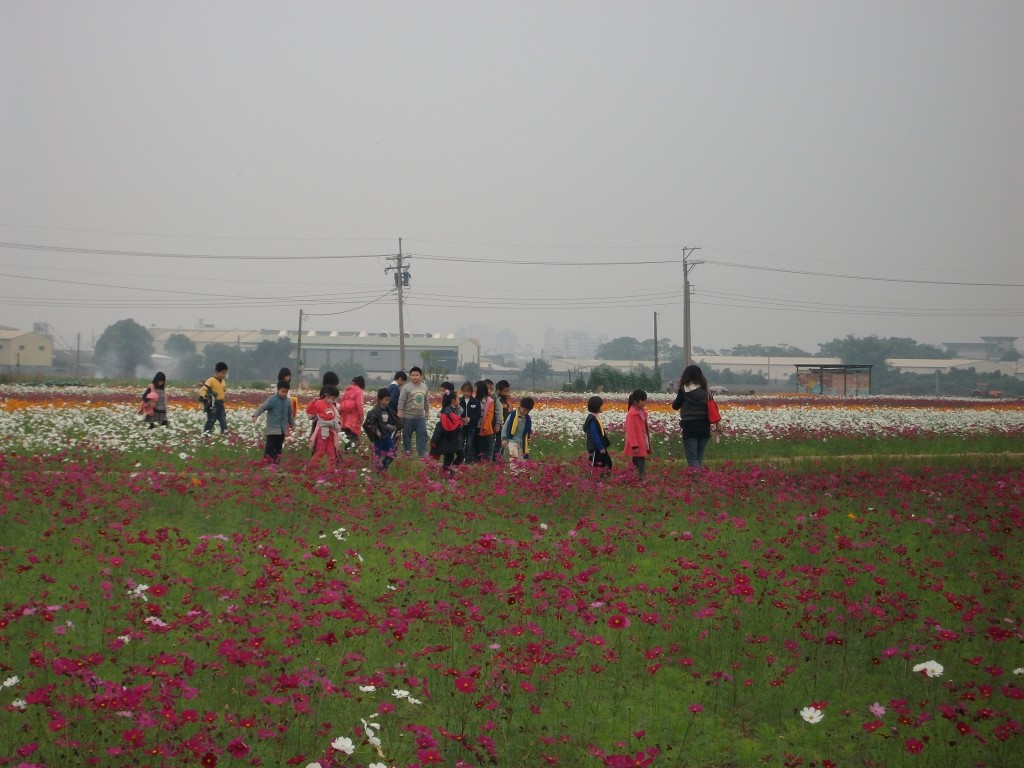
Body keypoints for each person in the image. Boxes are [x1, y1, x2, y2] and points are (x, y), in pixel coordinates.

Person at [672, 364, 716, 471]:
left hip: (690, 426)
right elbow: (713, 407)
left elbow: (675, 406)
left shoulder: (684, 389)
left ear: (686, 376)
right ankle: (698, 478)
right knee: (698, 457)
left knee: (692, 458)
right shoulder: (706, 390)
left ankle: (697, 476)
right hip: (704, 426)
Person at [252, 380, 295, 464]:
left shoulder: (287, 401)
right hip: (272, 429)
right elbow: (263, 407)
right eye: (283, 391)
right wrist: (255, 415)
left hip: (282, 429)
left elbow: (290, 414)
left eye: (286, 392)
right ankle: (266, 463)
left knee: (278, 448)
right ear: (278, 390)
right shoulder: (272, 399)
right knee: (270, 447)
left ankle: (276, 464)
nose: (284, 394)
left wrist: (292, 424)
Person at [363, 388, 398, 472]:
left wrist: (394, 427)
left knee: (392, 453)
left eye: (388, 400)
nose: (387, 402)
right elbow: (370, 426)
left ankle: (383, 468)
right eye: (386, 400)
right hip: (378, 437)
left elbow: (386, 424)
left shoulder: (388, 410)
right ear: (379, 399)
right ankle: (377, 473)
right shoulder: (373, 412)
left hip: (387, 435)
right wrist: (374, 437)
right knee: (377, 456)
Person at [398, 366, 430, 458]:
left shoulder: (424, 386)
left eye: (417, 375)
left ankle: (423, 454)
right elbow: (402, 400)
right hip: (408, 417)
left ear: (421, 376)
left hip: (420, 417)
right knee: (407, 436)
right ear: (410, 376)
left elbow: (426, 400)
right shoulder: (406, 387)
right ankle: (408, 453)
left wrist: (427, 412)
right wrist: (400, 411)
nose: (415, 377)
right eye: (412, 375)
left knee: (422, 435)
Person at [307, 385, 341, 471]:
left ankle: (331, 471)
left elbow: (335, 417)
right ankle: (310, 469)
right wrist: (313, 402)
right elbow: (309, 411)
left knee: (331, 452)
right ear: (327, 395)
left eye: (335, 398)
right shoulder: (319, 403)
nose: (334, 400)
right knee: (320, 451)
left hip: (330, 431)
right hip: (321, 432)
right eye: (333, 398)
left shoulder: (332, 405)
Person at [434, 390, 465, 475]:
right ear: (452, 400)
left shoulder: (455, 409)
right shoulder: (447, 411)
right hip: (449, 437)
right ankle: (447, 474)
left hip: (454, 437)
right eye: (457, 398)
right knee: (451, 457)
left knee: (458, 455)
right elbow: (453, 423)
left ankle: (450, 472)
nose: (459, 400)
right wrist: (460, 422)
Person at [623, 388, 651, 479]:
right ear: (635, 401)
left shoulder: (641, 412)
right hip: (637, 443)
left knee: (635, 461)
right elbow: (630, 432)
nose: (644, 403)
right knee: (641, 460)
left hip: (642, 441)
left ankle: (630, 477)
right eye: (642, 401)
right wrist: (634, 446)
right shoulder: (631, 415)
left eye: (645, 400)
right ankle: (641, 477)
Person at [501, 395, 535, 462]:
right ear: (520, 406)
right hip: (512, 440)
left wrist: (529, 437)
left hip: (522, 442)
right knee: (514, 457)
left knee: (521, 459)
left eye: (528, 411)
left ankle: (520, 469)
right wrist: (504, 438)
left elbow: (528, 430)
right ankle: (513, 469)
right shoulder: (513, 415)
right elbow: (505, 426)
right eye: (524, 410)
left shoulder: (527, 419)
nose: (525, 412)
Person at [583, 395, 612, 470]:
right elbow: (594, 434)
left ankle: (603, 475)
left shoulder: (595, 418)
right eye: (601, 406)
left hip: (599, 447)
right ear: (597, 406)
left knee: (607, 463)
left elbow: (597, 431)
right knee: (595, 464)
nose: (603, 407)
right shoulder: (592, 420)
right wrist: (600, 447)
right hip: (596, 447)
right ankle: (592, 475)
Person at [475, 380, 501, 462]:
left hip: (490, 425)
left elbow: (498, 412)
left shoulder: (493, 399)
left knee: (490, 444)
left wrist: (498, 424)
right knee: (480, 444)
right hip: (477, 426)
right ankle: (480, 460)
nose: (490, 391)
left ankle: (488, 459)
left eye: (491, 389)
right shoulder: (475, 399)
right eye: (488, 388)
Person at [338, 375, 366, 450]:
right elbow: (359, 404)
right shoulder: (359, 391)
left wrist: (339, 413)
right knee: (353, 436)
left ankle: (346, 451)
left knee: (347, 436)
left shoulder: (347, 390)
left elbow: (342, 401)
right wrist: (361, 416)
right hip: (354, 417)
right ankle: (351, 452)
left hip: (344, 417)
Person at [201, 362, 229, 435]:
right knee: (211, 420)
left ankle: (225, 435)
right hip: (212, 403)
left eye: (225, 373)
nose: (224, 375)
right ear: (216, 372)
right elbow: (203, 390)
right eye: (222, 373)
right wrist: (206, 397)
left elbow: (223, 391)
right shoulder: (211, 380)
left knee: (223, 420)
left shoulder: (223, 382)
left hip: (220, 404)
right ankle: (206, 435)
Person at [458, 382, 478, 462]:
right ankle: (460, 460)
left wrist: (470, 418)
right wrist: (460, 419)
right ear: (462, 391)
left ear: (471, 392)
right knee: (460, 443)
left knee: (470, 443)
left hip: (471, 426)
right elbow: (456, 412)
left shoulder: (475, 402)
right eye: (464, 391)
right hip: (461, 426)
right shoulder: (459, 401)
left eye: (468, 391)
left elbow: (478, 414)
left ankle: (468, 461)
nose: (466, 393)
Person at [493, 380, 512, 460]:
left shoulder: (506, 399)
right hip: (500, 424)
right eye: (505, 391)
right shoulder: (498, 399)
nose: (507, 393)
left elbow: (510, 410)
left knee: (503, 444)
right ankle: (495, 460)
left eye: (508, 391)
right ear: (498, 390)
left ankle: (499, 459)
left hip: (505, 424)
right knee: (499, 444)